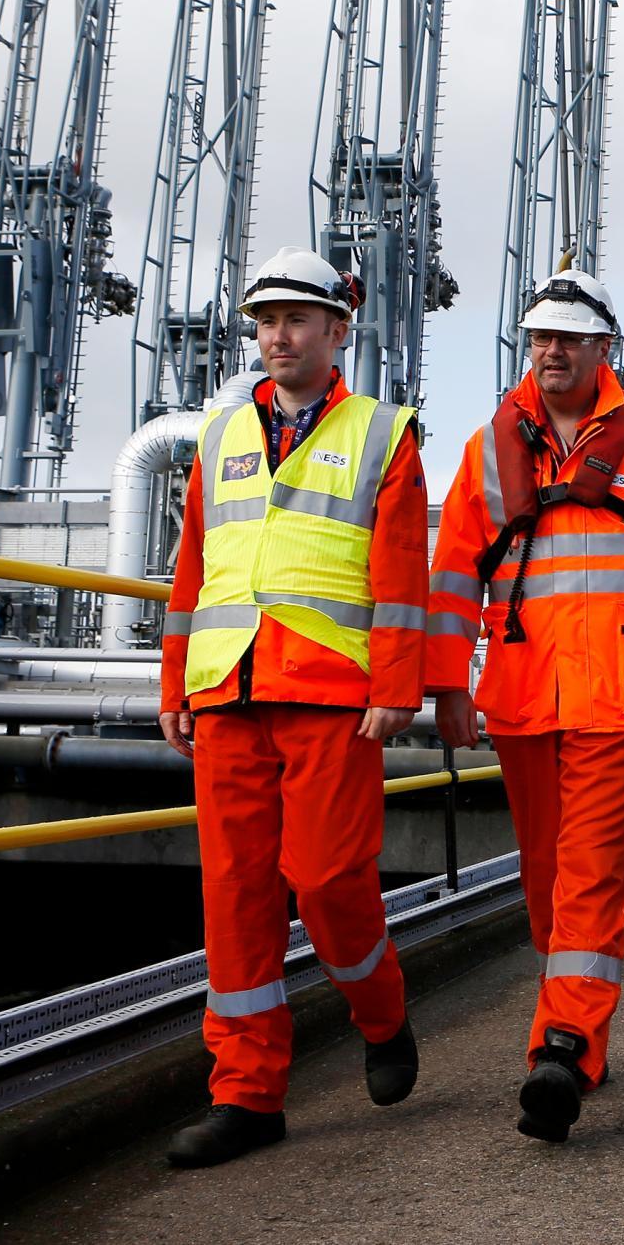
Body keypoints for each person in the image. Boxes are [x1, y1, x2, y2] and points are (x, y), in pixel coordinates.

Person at [424, 271, 624, 1143]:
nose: (550, 352)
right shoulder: (492, 448)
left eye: (568, 339)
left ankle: (556, 1046)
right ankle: (581, 1040)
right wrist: (446, 684)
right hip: (524, 693)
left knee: (593, 875)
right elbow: (450, 580)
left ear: (605, 350)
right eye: (539, 338)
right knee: (547, 879)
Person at [156, 246, 427, 1169]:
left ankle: (381, 1016)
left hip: (328, 692)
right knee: (234, 898)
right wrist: (175, 685)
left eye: (297, 320)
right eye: (266, 320)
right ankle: (247, 1095)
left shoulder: (382, 434)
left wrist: (397, 684)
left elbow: (398, 575)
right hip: (227, 689)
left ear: (336, 330)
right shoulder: (220, 436)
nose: (278, 335)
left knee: (326, 880)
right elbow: (192, 572)